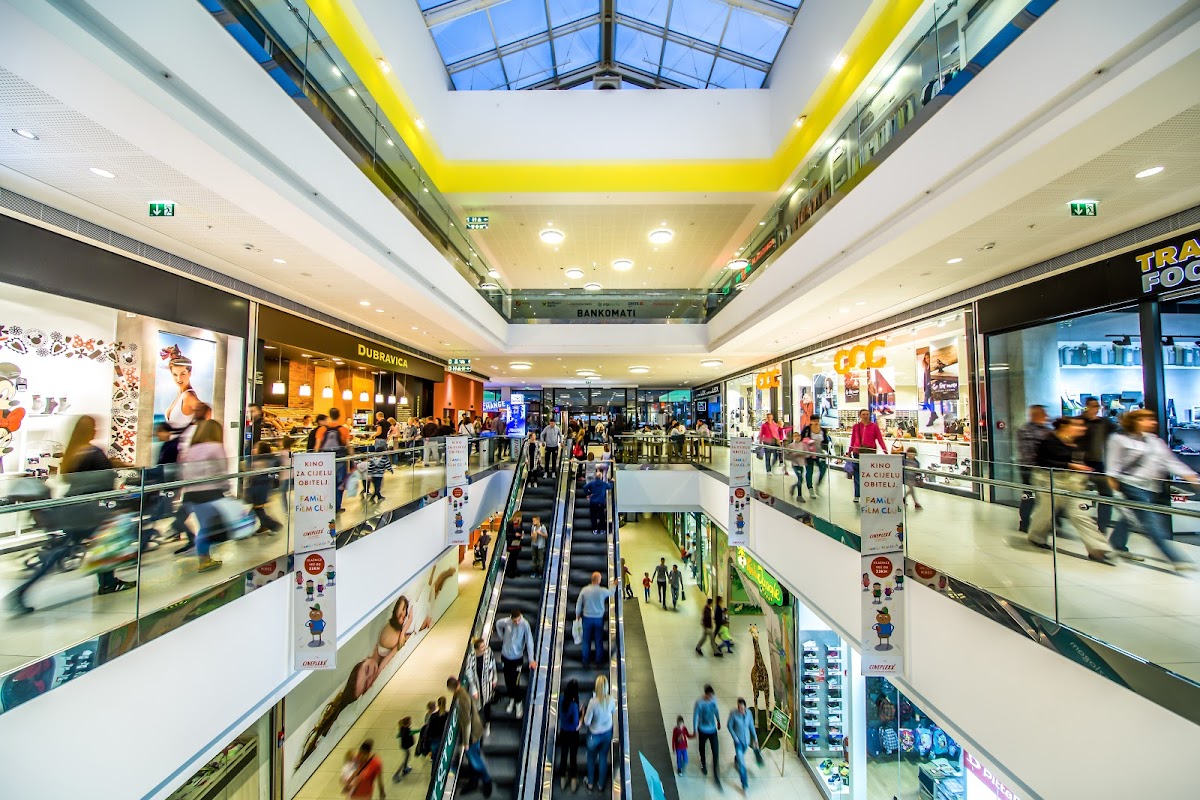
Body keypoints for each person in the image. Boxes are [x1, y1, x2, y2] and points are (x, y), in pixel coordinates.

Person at [7, 415, 135, 614]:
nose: (96, 429)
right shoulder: (93, 452)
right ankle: (108, 582)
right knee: (104, 544)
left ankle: (108, 581)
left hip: (73, 510)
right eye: (94, 426)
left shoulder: (72, 453)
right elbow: (106, 479)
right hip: (91, 512)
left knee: (68, 550)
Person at [1106, 409, 1198, 570]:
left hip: (1150, 486)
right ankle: (1176, 558)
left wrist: (1190, 476)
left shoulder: (1155, 441)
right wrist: (1115, 489)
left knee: (1130, 516)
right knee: (1150, 521)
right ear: (1135, 421)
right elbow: (1112, 467)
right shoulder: (1118, 440)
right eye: (1147, 419)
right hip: (1130, 484)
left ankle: (1116, 544)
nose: (1153, 422)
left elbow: (1171, 462)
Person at [1028, 417, 1114, 564]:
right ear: (1063, 426)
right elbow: (1041, 462)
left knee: (1080, 515)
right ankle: (1036, 536)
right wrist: (1069, 465)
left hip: (1073, 483)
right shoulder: (1049, 441)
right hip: (1050, 480)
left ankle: (1098, 549)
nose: (1082, 428)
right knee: (1046, 512)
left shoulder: (1080, 443)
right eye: (1078, 425)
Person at [180, 419, 232, 573]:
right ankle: (204, 559)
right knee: (207, 527)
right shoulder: (216, 447)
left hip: (191, 493)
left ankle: (204, 557)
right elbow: (222, 471)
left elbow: (183, 472)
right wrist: (226, 488)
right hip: (210, 492)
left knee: (204, 525)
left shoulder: (191, 449)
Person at [448, 676, 493, 797]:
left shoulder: (461, 698)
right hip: (477, 728)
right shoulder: (463, 689)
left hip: (472, 734)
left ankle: (487, 781)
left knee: (475, 760)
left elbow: (466, 722)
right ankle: (474, 780)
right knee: (474, 758)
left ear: (451, 688)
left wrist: (466, 742)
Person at [1081, 397, 1118, 532]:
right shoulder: (1079, 422)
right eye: (1092, 406)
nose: (1094, 409)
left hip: (1099, 463)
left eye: (1097, 406)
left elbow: (1117, 433)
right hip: (1081, 463)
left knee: (1106, 494)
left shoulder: (1104, 423)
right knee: (1070, 493)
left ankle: (1103, 525)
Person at [1016, 405, 1052, 533]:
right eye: (1044, 414)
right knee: (1029, 495)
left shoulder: (1046, 430)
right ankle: (1025, 522)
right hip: (1030, 467)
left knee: (1043, 496)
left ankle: (1044, 522)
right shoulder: (1026, 430)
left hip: (1041, 468)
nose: (1046, 417)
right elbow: (1028, 452)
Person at [495, 609, 536, 718]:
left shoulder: (525, 624)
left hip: (517, 659)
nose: (517, 622)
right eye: (515, 621)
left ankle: (518, 703)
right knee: (508, 681)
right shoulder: (507, 621)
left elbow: (529, 642)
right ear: (511, 618)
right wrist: (502, 637)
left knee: (515, 682)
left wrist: (531, 659)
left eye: (518, 620)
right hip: (505, 657)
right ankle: (512, 699)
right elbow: (498, 623)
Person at [583, 674, 617, 793]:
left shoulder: (593, 702)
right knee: (603, 757)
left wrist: (583, 713)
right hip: (607, 733)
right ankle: (601, 785)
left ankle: (590, 783)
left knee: (591, 758)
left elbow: (587, 722)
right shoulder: (611, 700)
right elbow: (613, 711)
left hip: (594, 735)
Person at [576, 571, 615, 668]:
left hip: (587, 618)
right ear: (598, 580)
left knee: (586, 641)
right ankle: (599, 661)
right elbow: (611, 592)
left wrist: (578, 615)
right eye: (600, 579)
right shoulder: (602, 591)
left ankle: (585, 661)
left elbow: (579, 603)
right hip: (598, 619)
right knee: (598, 640)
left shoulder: (584, 590)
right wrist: (614, 584)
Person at [850, 408, 887, 503]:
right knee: (857, 475)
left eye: (867, 414)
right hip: (857, 452)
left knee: (869, 475)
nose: (866, 416)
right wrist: (849, 451)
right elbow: (853, 439)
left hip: (870, 453)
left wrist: (885, 450)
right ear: (860, 415)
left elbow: (879, 439)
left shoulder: (874, 427)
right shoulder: (856, 427)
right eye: (864, 414)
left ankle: (869, 495)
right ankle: (857, 494)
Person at [247, 441, 283, 533]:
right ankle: (264, 525)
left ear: (261, 450)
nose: (253, 450)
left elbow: (269, 476)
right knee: (257, 509)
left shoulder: (263, 462)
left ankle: (274, 525)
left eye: (256, 448)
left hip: (260, 488)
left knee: (258, 509)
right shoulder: (258, 460)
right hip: (257, 488)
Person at [320, 409, 352, 513]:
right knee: (340, 483)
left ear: (329, 416)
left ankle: (326, 505)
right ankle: (337, 506)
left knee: (327, 482)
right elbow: (348, 445)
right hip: (340, 459)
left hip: (325, 459)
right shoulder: (343, 429)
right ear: (339, 416)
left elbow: (317, 447)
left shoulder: (322, 429)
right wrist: (352, 456)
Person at [727, 698, 761, 791]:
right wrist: (735, 738)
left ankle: (736, 759)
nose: (740, 710)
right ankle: (744, 783)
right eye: (739, 708)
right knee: (742, 763)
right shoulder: (733, 714)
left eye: (742, 708)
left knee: (740, 756)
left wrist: (755, 739)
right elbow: (729, 726)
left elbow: (751, 726)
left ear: (745, 707)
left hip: (746, 741)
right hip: (738, 742)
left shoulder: (749, 713)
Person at [693, 685, 721, 786]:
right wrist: (695, 729)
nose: (711, 698)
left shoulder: (714, 700)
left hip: (712, 730)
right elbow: (695, 716)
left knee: (715, 751)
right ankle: (703, 764)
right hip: (702, 730)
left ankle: (716, 774)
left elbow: (716, 711)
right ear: (705, 694)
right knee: (702, 748)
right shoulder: (699, 703)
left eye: (712, 696)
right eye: (709, 696)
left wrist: (718, 720)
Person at [557, 679, 582, 791]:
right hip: (573, 734)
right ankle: (573, 780)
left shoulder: (561, 699)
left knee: (563, 754)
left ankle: (562, 779)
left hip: (563, 732)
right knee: (572, 757)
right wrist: (583, 713)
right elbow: (577, 724)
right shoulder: (573, 705)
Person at [465, 636, 497, 722]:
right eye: (482, 647)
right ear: (477, 649)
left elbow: (493, 665)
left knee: (487, 704)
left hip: (487, 684)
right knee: (477, 705)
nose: (485, 648)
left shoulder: (489, 652)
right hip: (477, 684)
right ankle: (477, 724)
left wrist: (494, 679)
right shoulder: (471, 657)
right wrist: (474, 689)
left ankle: (487, 723)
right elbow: (469, 673)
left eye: (484, 645)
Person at [582, 470, 613, 535]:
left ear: (595, 477)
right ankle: (602, 529)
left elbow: (584, 487)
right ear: (601, 477)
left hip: (592, 502)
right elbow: (610, 486)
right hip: (600, 503)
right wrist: (612, 481)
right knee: (601, 517)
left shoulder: (592, 483)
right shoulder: (603, 484)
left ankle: (594, 529)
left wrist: (588, 493)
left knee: (593, 517)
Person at [805, 417, 830, 496]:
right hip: (809, 454)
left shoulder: (822, 430)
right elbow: (802, 439)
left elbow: (826, 441)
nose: (816, 422)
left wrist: (826, 451)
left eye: (817, 421)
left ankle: (818, 485)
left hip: (819, 453)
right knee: (809, 471)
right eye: (814, 421)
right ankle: (810, 488)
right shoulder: (807, 429)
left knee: (823, 468)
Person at [785, 430, 808, 502]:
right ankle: (799, 495)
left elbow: (807, 453)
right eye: (795, 436)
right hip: (795, 464)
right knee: (800, 479)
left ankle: (794, 487)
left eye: (798, 436)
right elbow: (786, 455)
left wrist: (803, 455)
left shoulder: (803, 445)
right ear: (793, 437)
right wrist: (794, 455)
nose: (797, 437)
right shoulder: (791, 446)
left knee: (801, 479)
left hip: (801, 464)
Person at [392, 717, 415, 782]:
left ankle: (405, 768)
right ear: (408, 723)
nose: (411, 722)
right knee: (406, 758)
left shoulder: (403, 728)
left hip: (404, 746)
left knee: (407, 756)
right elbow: (410, 734)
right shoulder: (406, 730)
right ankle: (397, 774)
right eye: (410, 721)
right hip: (406, 746)